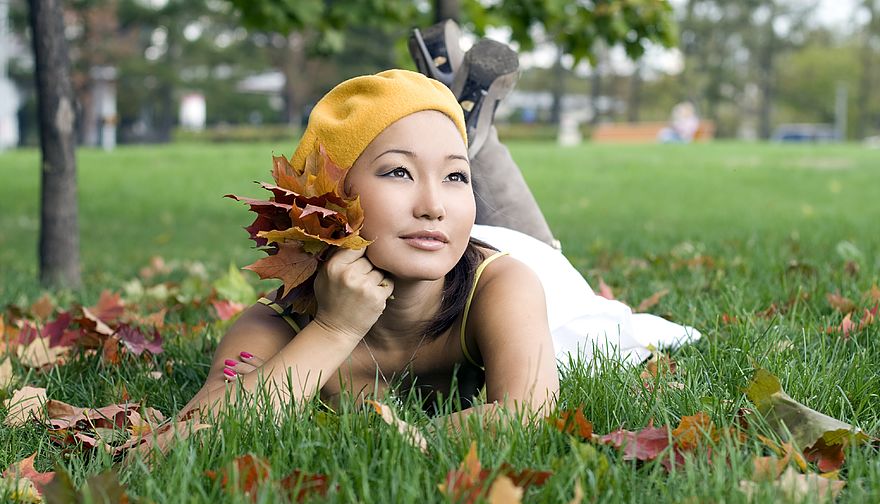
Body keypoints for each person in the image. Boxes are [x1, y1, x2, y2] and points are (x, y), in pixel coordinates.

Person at [176, 26, 700, 434]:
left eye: (455, 176)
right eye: (397, 171)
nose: (432, 204)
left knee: (541, 250)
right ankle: (460, 131)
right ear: (326, 199)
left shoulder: (506, 285)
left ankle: (470, 138)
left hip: (511, 264)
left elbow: (526, 412)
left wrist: (415, 440)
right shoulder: (274, 325)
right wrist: (335, 330)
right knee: (444, 198)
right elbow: (192, 435)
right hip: (440, 249)